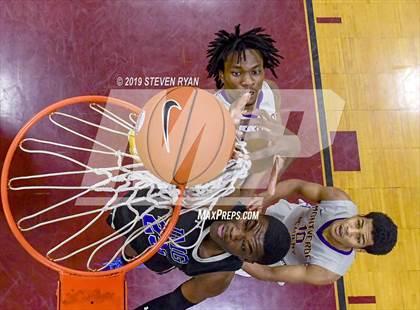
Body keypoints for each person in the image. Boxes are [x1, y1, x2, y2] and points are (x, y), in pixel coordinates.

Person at [107, 188, 291, 309]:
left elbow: (172, 303)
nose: (235, 232)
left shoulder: (217, 276)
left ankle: (122, 263)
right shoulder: (225, 201)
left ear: (247, 260)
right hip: (146, 210)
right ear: (253, 214)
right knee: (130, 244)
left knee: (138, 251)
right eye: (248, 224)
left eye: (244, 245)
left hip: (162, 252)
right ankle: (121, 260)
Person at [239, 178, 398, 285]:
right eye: (358, 223)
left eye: (358, 238)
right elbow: (297, 185)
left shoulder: (328, 270)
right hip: (284, 216)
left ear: (360, 250)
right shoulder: (339, 201)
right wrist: (263, 198)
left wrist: (231, 251)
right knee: (232, 206)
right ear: (359, 215)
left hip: (275, 255)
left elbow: (269, 274)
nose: (349, 229)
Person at [207, 24, 301, 195]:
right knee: (233, 198)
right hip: (225, 170)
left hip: (255, 159)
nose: (248, 81)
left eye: (256, 72)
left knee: (292, 142)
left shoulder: (270, 89)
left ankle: (258, 194)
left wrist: (272, 140)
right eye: (236, 73)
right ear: (222, 75)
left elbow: (276, 136)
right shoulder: (214, 110)